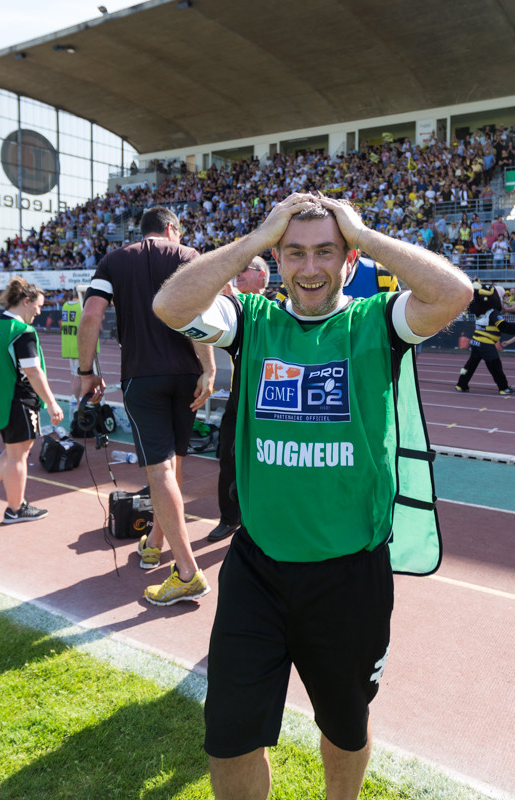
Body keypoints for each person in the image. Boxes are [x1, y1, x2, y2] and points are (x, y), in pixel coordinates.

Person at [152, 192, 472, 800]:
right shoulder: (251, 321)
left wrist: (366, 234)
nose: (309, 268)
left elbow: (453, 294)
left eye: (326, 251)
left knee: (345, 729)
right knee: (229, 737)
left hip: (350, 575)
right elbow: (170, 304)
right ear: (278, 258)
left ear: (349, 259)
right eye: (294, 253)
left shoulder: (378, 321)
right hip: (259, 569)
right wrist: (254, 239)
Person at [78, 206, 216, 606]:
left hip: (142, 375)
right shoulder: (188, 255)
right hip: (187, 374)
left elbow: (91, 315)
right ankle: (155, 540)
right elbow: (200, 313)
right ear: (172, 229)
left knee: (159, 470)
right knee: (173, 462)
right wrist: (208, 368)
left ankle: (187, 572)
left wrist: (88, 371)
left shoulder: (115, 260)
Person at [0, 278, 64, 523]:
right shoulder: (22, 332)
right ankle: (16, 508)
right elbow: (32, 371)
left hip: (1, 399)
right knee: (19, 455)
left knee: (13, 451)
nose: (39, 312)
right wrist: (51, 402)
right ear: (26, 301)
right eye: (38, 306)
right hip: (18, 399)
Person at [207, 256, 270, 544]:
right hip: (239, 394)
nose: (238, 275)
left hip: (271, 399)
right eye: (237, 270)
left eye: (244, 269)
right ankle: (230, 518)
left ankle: (263, 519)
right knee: (228, 456)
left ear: (262, 275)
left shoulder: (279, 301)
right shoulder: (233, 306)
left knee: (270, 461)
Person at [456, 281, 515, 395]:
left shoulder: (481, 311)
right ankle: (503, 387)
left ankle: (461, 384)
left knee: (470, 366)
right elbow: (503, 326)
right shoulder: (493, 312)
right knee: (495, 366)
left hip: (476, 341)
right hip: (485, 343)